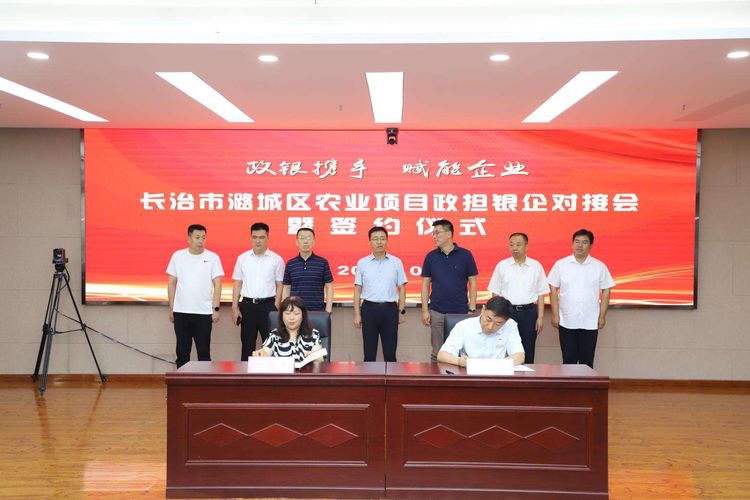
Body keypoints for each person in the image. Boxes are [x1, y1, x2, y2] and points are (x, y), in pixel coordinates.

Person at [547, 229, 615, 369]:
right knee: (568, 360)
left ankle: (586, 384)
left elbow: (606, 290)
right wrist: (555, 314)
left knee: (587, 360)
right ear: (572, 244)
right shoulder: (561, 265)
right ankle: (568, 384)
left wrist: (602, 316)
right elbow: (553, 289)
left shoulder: (599, 266)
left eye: (584, 242)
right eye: (577, 242)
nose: (580, 245)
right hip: (566, 320)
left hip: (590, 320)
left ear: (590, 246)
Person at [421, 219, 478, 362]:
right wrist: (425, 310)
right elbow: (425, 284)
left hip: (460, 311)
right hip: (437, 311)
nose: (434, 236)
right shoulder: (431, 256)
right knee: (437, 351)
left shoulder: (465, 255)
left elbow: (473, 282)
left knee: (460, 351)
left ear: (449, 234)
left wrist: (472, 308)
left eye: (437, 232)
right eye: (433, 233)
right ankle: (435, 376)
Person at [166, 224, 223, 368]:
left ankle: (204, 381)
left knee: (204, 352)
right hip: (181, 312)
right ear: (189, 239)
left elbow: (217, 284)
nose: (201, 241)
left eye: (203, 238)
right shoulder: (177, 256)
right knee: (182, 352)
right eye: (197, 237)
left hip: (204, 313)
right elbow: (171, 283)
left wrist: (216, 309)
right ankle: (181, 381)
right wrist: (171, 308)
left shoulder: (213, 257)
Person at [487, 232, 549, 363]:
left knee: (528, 348)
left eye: (518, 244)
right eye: (511, 245)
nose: (514, 248)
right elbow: (495, 292)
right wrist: (495, 315)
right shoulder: (502, 266)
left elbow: (541, 293)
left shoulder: (536, 266)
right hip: (507, 313)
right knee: (504, 347)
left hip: (529, 313)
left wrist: (541, 317)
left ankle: (528, 374)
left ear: (526, 246)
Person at [353, 226, 408, 362]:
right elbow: (357, 290)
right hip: (369, 309)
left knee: (390, 354)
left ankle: (391, 376)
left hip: (390, 310)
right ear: (369, 242)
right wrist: (357, 314)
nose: (379, 242)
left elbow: (402, 288)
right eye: (375, 239)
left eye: (382, 238)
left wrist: (401, 311)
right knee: (369, 354)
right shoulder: (362, 263)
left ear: (387, 241)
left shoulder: (396, 262)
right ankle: (369, 376)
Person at [231, 222, 284, 361]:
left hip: (269, 306)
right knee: (247, 345)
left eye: (261, 237)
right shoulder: (242, 258)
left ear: (267, 238)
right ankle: (246, 374)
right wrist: (234, 307)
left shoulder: (276, 259)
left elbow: (280, 285)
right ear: (251, 238)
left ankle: (271, 374)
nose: (258, 241)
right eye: (255, 237)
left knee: (271, 344)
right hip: (247, 306)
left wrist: (276, 307)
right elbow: (237, 283)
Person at [437, 296, 525, 367]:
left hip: (498, 375)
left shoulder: (510, 325)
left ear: (506, 321)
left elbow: (520, 356)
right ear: (483, 309)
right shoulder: (464, 326)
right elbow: (442, 355)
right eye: (488, 319)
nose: (490, 327)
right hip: (470, 375)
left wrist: (498, 365)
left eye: (498, 324)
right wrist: (459, 361)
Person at [252, 296, 324, 363]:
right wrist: (261, 353)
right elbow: (266, 351)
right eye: (287, 313)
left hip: (306, 372)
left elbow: (320, 359)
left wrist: (314, 356)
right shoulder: (275, 335)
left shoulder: (313, 334)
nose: (291, 318)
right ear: (282, 316)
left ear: (303, 316)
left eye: (296, 314)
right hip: (282, 372)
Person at [282, 228, 334, 312]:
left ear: (313, 242)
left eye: (309, 238)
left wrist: (328, 310)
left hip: (317, 310)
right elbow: (286, 288)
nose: (305, 241)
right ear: (297, 242)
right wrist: (285, 309)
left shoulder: (322, 262)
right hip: (295, 311)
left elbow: (329, 286)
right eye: (302, 238)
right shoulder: (290, 264)